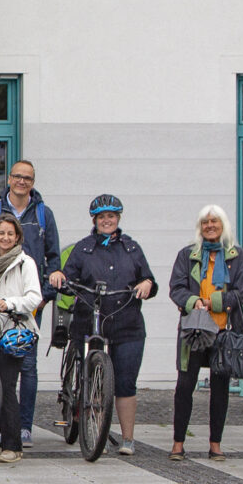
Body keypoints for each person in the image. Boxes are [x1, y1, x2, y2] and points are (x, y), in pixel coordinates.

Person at [49, 194, 156, 456]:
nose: (106, 221)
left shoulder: (132, 248)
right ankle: (96, 433)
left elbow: (148, 279)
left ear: (118, 218)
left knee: (126, 384)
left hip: (127, 324)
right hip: (89, 323)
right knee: (93, 383)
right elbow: (67, 277)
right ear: (94, 220)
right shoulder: (83, 249)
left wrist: (146, 285)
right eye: (101, 217)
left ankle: (128, 439)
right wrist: (60, 275)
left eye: (111, 216)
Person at [0, 160, 60, 446]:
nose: (22, 181)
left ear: (33, 182)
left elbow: (54, 258)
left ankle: (23, 428)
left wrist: (43, 297)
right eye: (17, 176)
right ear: (9, 179)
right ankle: (5, 430)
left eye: (28, 178)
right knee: (0, 373)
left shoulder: (43, 214)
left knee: (27, 369)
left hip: (28, 306)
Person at [168, 204, 243, 462]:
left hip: (223, 332)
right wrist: (194, 301)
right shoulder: (187, 254)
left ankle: (215, 444)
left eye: (215, 222)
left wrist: (213, 301)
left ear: (223, 225)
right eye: (205, 222)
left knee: (220, 390)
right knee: (184, 388)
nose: (210, 226)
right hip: (193, 332)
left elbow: (242, 292)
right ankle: (178, 442)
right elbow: (176, 288)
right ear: (200, 227)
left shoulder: (238, 256)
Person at [0, 213, 41, 464]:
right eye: (1, 233)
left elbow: (34, 297)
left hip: (13, 333)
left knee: (7, 386)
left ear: (17, 238)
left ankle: (13, 445)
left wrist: (10, 303)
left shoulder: (26, 263)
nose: (5, 237)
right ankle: (4, 439)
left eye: (10, 234)